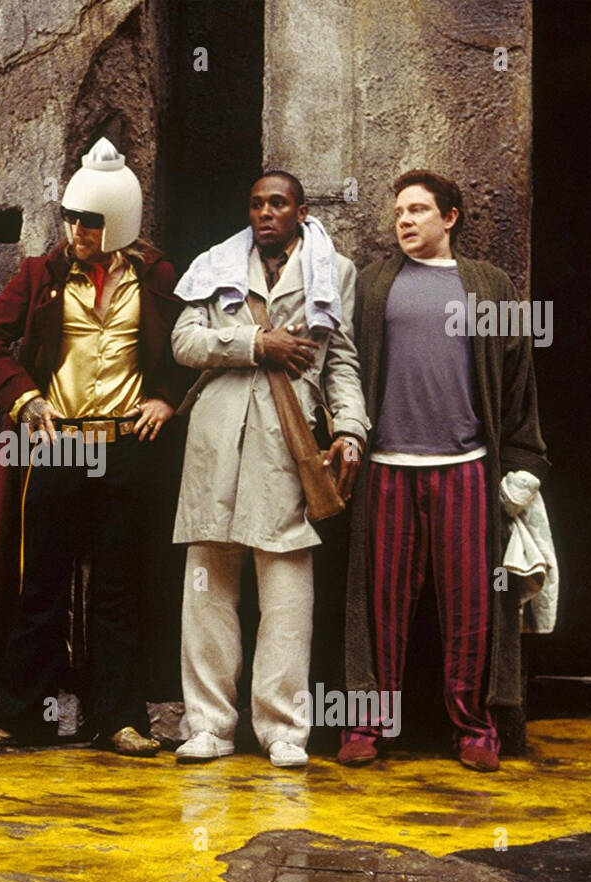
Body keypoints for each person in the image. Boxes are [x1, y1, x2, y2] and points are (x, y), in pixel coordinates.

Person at [0, 137, 188, 756]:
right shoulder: (40, 275)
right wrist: (24, 397)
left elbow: (188, 346)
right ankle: (20, 714)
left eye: (91, 220)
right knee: (40, 581)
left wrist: (166, 396)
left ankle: (120, 718)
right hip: (59, 445)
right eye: (72, 217)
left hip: (127, 443)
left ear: (120, 223)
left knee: (118, 586)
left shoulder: (158, 279)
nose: (77, 229)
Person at [336, 170, 549, 773]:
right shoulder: (373, 286)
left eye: (419, 211)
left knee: (473, 604)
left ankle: (476, 727)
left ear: (450, 217)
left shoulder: (490, 286)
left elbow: (518, 380)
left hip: (467, 469)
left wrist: (525, 462)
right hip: (386, 469)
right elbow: (345, 368)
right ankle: (366, 725)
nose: (404, 221)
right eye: (399, 211)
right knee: (379, 605)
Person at [169, 170, 369, 767]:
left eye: (277, 203)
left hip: (286, 445)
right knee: (207, 590)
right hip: (215, 441)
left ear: (301, 212)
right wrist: (258, 343)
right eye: (255, 203)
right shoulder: (215, 264)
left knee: (286, 594)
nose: (264, 213)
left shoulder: (336, 274)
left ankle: (284, 730)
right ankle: (208, 727)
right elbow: (184, 342)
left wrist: (352, 430)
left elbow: (342, 363)